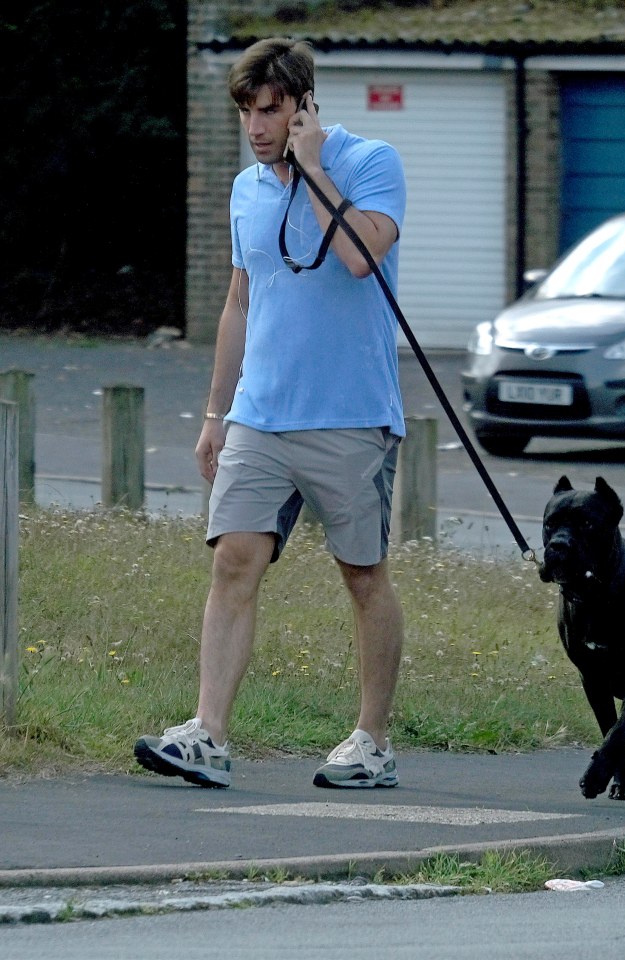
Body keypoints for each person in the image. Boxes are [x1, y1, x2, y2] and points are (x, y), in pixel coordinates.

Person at [134, 37, 407, 790]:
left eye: (272, 111)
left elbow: (360, 257)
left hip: (350, 414)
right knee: (233, 560)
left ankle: (371, 742)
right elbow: (241, 299)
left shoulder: (371, 163)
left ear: (304, 106)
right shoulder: (244, 189)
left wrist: (313, 167)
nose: (257, 128)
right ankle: (209, 735)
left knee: (363, 575)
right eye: (247, 113)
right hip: (261, 414)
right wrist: (216, 411)